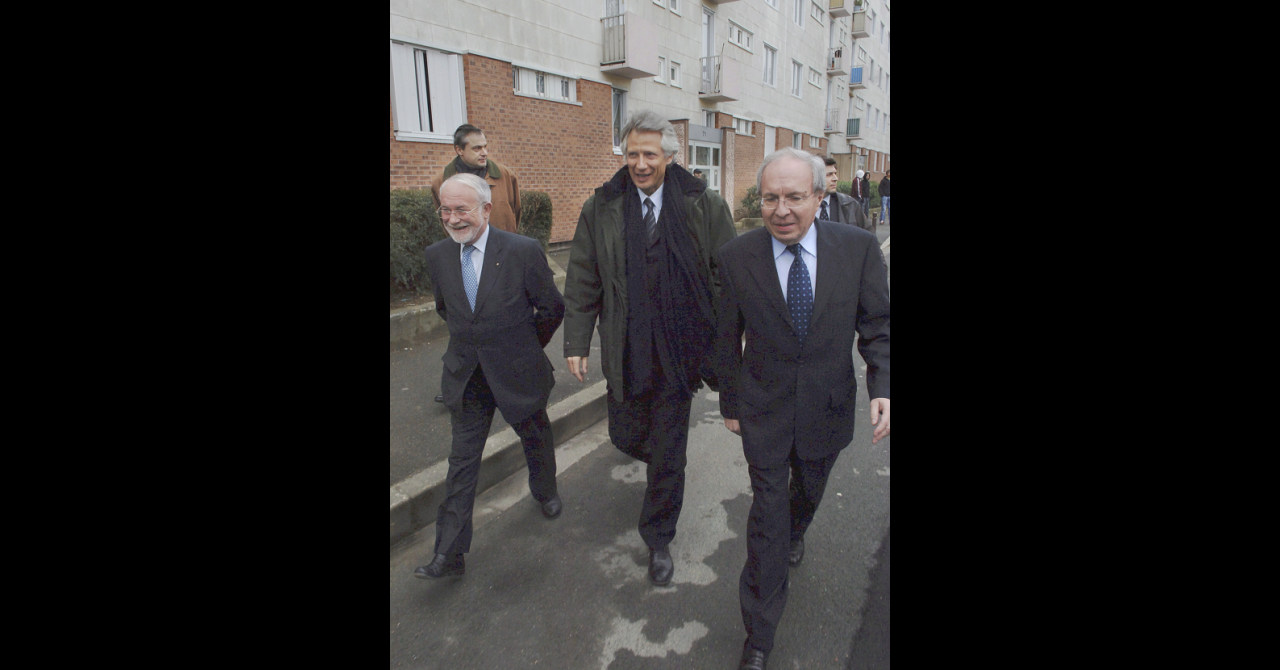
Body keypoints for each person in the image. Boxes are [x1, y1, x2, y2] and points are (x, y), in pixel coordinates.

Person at [714, 149, 891, 670]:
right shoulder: (736, 256)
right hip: (763, 409)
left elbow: (878, 324)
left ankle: (798, 530)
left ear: (820, 196)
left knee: (804, 497)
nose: (781, 210)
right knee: (767, 520)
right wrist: (729, 402)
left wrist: (882, 385)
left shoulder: (857, 249)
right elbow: (726, 338)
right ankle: (760, 635)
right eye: (771, 198)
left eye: (795, 197)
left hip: (828, 407)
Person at [562, 110, 737, 587]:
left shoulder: (703, 203)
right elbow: (583, 276)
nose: (640, 164)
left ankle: (658, 537)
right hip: (627, 344)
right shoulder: (602, 207)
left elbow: (728, 276)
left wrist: (730, 338)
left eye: (649, 154)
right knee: (625, 433)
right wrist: (576, 340)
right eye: (632, 153)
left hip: (681, 348)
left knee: (668, 447)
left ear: (669, 157)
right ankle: (655, 454)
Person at [414, 174, 566, 581]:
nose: (452, 218)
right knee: (461, 462)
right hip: (467, 377)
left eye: (461, 209)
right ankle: (449, 553)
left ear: (484, 209)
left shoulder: (522, 251)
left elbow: (552, 308)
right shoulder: (438, 255)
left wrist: (523, 347)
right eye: (445, 209)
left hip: (518, 371)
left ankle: (546, 491)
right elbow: (448, 309)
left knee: (535, 437)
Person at [431, 124, 524, 404]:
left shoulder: (504, 175)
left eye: (485, 146)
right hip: (466, 261)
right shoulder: (441, 181)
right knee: (466, 326)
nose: (484, 152)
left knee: (513, 321)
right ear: (459, 150)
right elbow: (445, 220)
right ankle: (461, 383)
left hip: (503, 261)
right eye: (476, 147)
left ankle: (518, 376)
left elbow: (515, 211)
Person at [820, 157, 872, 234]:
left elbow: (870, 236)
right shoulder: (801, 205)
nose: (835, 178)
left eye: (835, 173)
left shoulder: (850, 204)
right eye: (829, 174)